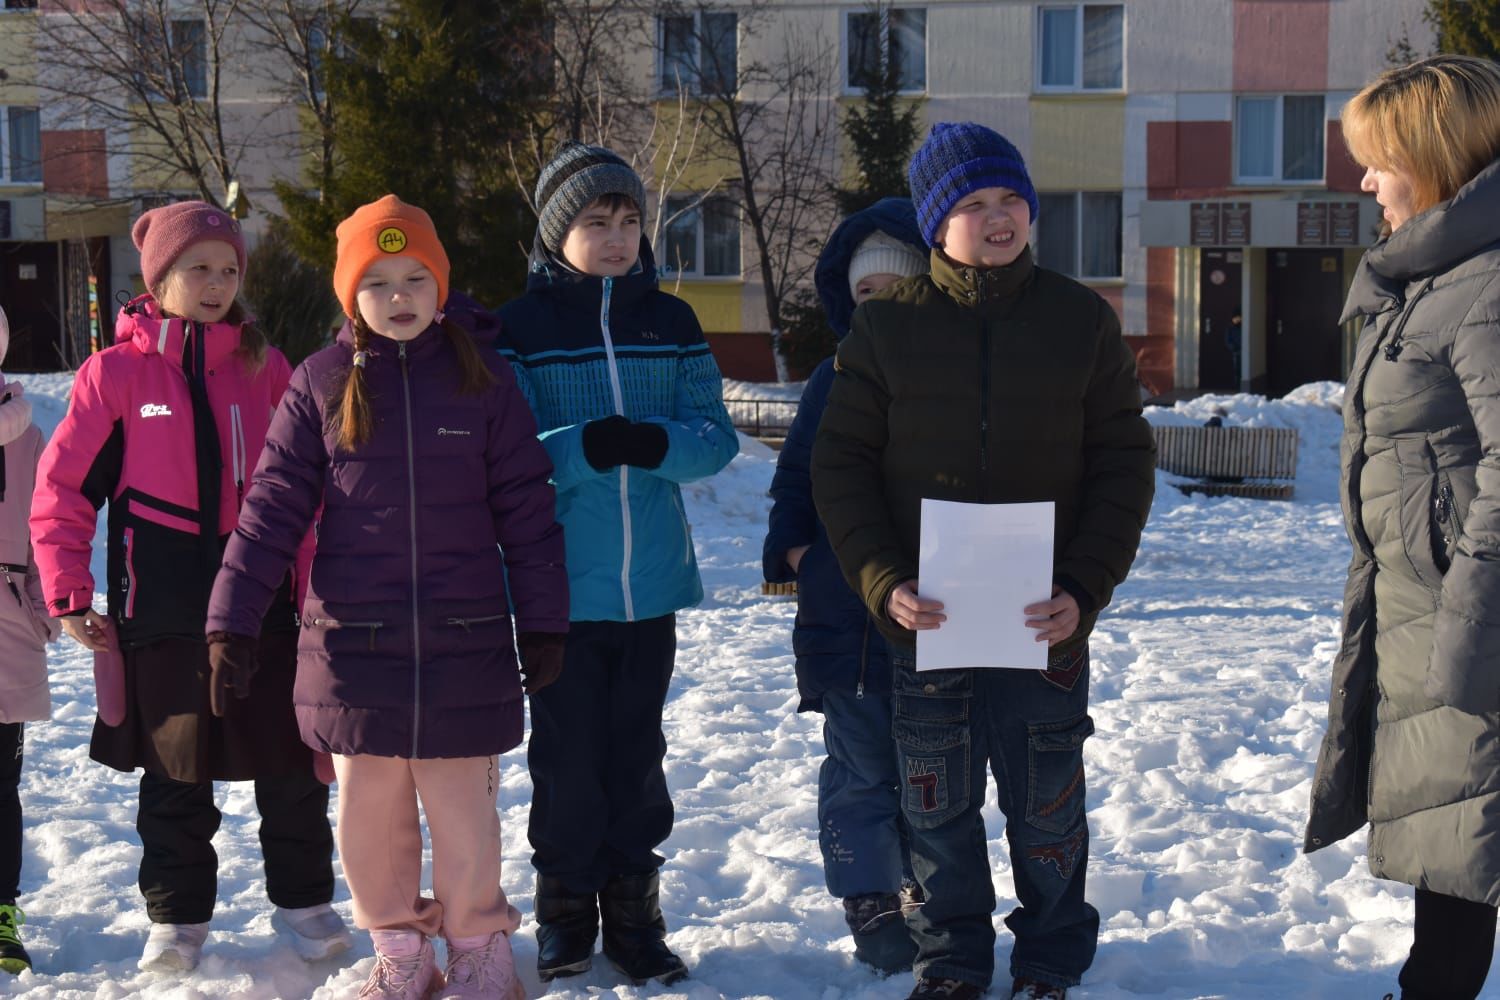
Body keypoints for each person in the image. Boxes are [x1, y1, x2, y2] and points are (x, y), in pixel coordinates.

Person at [811, 123, 1155, 1000]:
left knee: (1046, 798)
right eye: (972, 203)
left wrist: (1085, 585)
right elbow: (839, 467)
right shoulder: (886, 328)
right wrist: (883, 583)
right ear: (935, 223)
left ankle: (1048, 955)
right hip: (929, 619)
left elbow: (1123, 460)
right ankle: (953, 958)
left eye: (1010, 200)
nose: (997, 218)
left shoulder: (1080, 320)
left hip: (1047, 618)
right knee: (935, 803)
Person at [205, 195, 568, 1000]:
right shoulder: (321, 383)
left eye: (415, 278)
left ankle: (478, 947)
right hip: (351, 646)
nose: (399, 296)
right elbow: (270, 510)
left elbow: (528, 508)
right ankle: (400, 952)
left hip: (465, 638)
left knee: (466, 816)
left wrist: (543, 621)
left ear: (441, 287)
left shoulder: (483, 381)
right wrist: (230, 620)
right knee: (369, 819)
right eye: (378, 281)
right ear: (350, 295)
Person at [29, 201, 346, 972]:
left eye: (228, 269)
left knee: (291, 765)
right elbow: (63, 490)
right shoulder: (116, 373)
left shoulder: (264, 366)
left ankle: (303, 902)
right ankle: (176, 918)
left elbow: (303, 491)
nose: (215, 283)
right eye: (197, 268)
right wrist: (67, 590)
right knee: (177, 776)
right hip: (162, 614)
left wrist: (309, 592)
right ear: (160, 277)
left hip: (263, 607)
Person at [495, 141, 738, 986]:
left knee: (637, 758)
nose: (616, 236)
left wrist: (655, 442)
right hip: (559, 591)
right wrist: (584, 446)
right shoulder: (520, 329)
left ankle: (635, 918)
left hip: (652, 590)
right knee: (566, 761)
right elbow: (508, 453)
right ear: (558, 231)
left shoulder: (669, 321)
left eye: (629, 219)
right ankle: (564, 912)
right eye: (596, 221)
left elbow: (715, 438)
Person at [1305, 54, 1500, 1000]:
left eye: (1379, 159)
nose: (1365, 180)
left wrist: (1470, 607)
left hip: (1468, 620)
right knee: (1452, 835)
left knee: (1467, 829)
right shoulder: (1433, 279)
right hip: (1426, 612)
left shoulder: (1487, 285)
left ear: (1435, 152)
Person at [762, 197, 928, 973]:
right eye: (867, 295)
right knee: (862, 769)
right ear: (847, 301)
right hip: (845, 621)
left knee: (932, 771)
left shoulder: (949, 375)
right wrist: (794, 550)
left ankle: (931, 895)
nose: (882, 307)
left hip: (936, 615)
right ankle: (870, 901)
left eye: (899, 292)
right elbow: (797, 472)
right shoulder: (832, 378)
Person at [0, 306, 59, 974]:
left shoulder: (29, 437)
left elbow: (46, 527)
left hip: (7, 626)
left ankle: (1, 914)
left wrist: (43, 612)